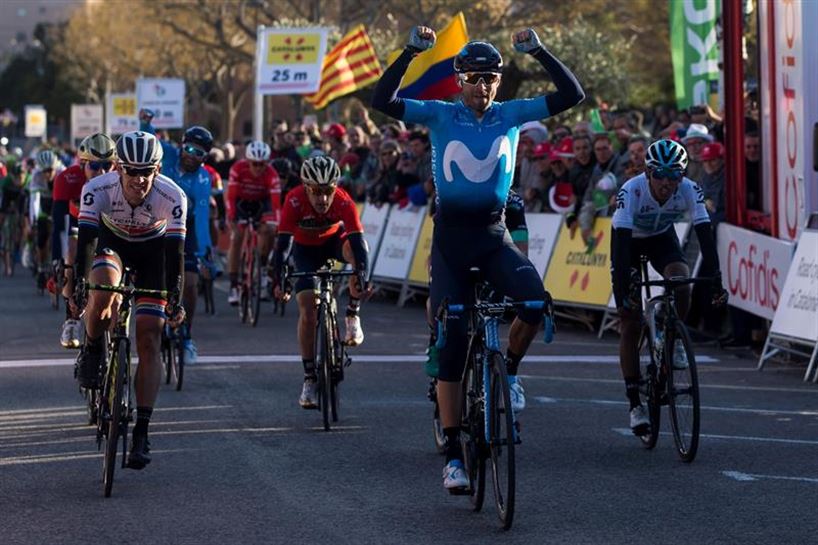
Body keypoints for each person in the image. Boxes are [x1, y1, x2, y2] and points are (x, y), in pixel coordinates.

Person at [372, 25, 583, 491]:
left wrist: (540, 51)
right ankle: (452, 453)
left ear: (499, 82)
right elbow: (381, 101)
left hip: (493, 237)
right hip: (451, 243)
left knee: (533, 303)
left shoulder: (511, 114)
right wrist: (410, 52)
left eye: (490, 78)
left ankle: (506, 371)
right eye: (473, 77)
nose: (482, 86)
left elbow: (573, 94)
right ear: (459, 80)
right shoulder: (441, 115)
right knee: (451, 345)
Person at [70, 131, 187, 469]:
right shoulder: (97, 189)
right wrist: (80, 286)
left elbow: (175, 255)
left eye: (146, 171)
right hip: (113, 245)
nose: (139, 179)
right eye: (131, 171)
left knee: (150, 336)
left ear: (158, 168)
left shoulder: (172, 195)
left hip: (154, 252)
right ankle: (93, 349)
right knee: (103, 288)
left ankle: (142, 430)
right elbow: (86, 245)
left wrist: (175, 299)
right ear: (118, 167)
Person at [610, 139, 728, 435]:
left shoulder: (689, 189)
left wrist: (716, 279)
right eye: (660, 174)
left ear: (683, 175)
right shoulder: (632, 190)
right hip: (628, 241)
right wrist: (623, 288)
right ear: (648, 172)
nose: (667, 182)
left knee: (682, 279)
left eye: (674, 175)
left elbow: (704, 233)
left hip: (662, 237)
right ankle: (635, 403)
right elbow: (622, 248)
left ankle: (670, 334)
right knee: (631, 321)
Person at [270, 156, 370, 408]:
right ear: (305, 187)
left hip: (333, 244)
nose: (323, 199)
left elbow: (358, 242)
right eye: (316, 192)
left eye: (328, 191)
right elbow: (282, 247)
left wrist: (362, 274)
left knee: (356, 256)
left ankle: (352, 315)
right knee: (308, 311)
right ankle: (309, 377)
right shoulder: (293, 199)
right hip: (304, 251)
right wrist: (280, 279)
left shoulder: (344, 200)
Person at [54, 133, 117, 348]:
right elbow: (59, 225)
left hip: (109, 230)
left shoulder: (121, 179)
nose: (102, 172)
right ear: (82, 164)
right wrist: (58, 260)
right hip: (77, 228)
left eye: (108, 165)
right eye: (95, 165)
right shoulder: (66, 179)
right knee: (71, 247)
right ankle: (71, 319)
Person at [160, 126, 215, 364]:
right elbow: (149, 138)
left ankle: (186, 336)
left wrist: (204, 254)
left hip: (187, 226)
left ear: (206, 158)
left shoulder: (204, 178)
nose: (192, 155)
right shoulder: (168, 154)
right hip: (159, 222)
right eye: (189, 149)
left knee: (191, 285)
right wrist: (145, 122)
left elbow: (202, 217)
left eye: (199, 153)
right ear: (181, 146)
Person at [225, 141, 281, 305]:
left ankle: (262, 268)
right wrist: (232, 218)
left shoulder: (272, 174)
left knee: (269, 230)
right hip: (241, 203)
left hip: (262, 204)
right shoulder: (237, 168)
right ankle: (234, 285)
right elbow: (231, 197)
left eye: (262, 164)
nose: (258, 168)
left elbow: (276, 205)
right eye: (255, 164)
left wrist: (277, 225)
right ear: (248, 161)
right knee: (237, 238)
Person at [29, 149, 64, 288]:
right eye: (45, 171)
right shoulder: (36, 175)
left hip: (57, 201)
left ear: (55, 167)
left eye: (50, 170)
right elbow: (34, 201)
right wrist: (34, 220)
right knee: (42, 236)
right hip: (43, 203)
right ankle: (41, 267)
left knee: (61, 229)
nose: (47, 174)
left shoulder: (62, 172)